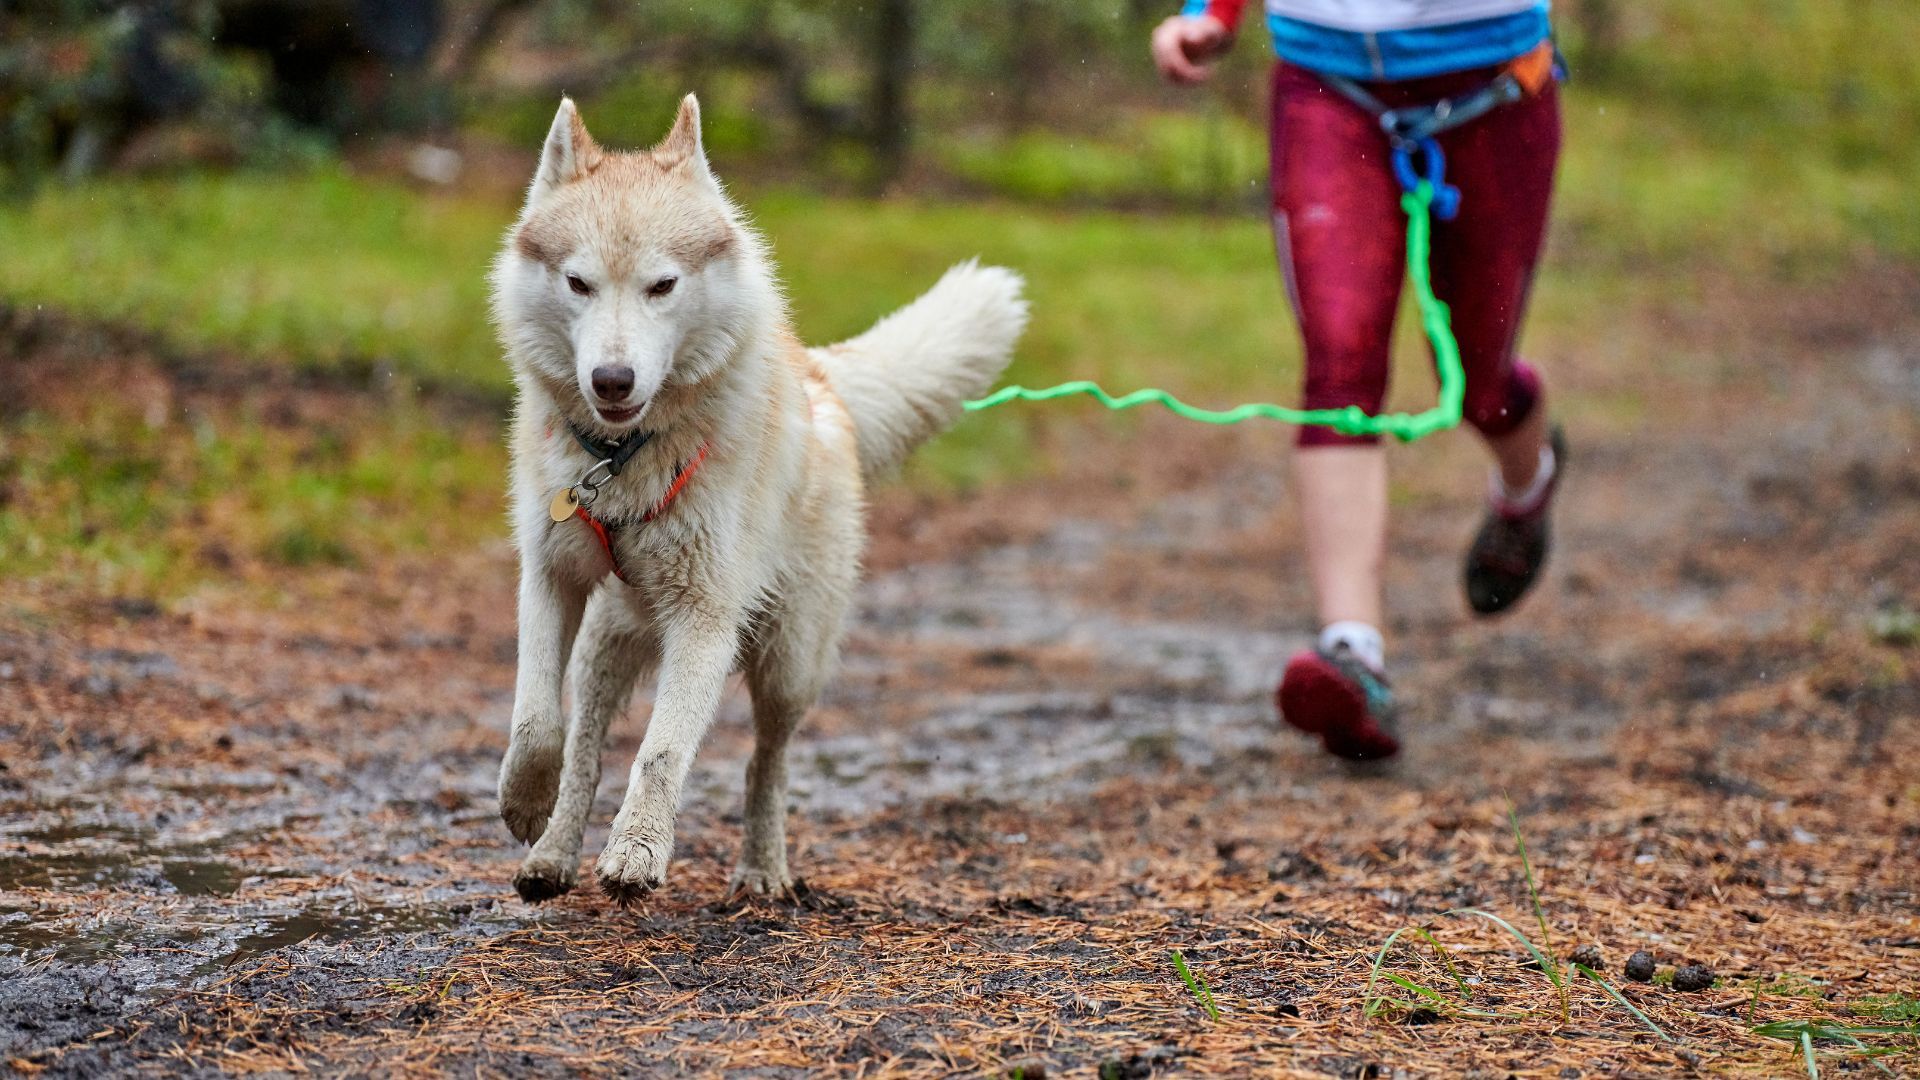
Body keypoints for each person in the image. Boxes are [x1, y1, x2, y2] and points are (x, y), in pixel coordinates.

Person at [1150, 0, 1566, 760]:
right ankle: (1354, 654)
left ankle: (1526, 482)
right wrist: (1211, 12)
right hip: (1328, 84)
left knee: (1478, 381)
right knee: (1339, 363)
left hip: (1498, 87)